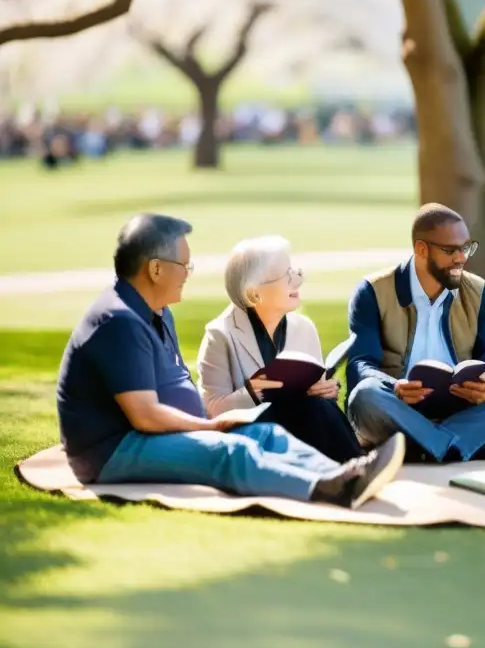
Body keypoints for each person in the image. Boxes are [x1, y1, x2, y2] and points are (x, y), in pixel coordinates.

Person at [55, 214, 404, 510]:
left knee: (265, 434)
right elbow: (144, 416)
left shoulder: (156, 313)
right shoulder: (119, 321)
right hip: (114, 449)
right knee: (231, 452)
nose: (189, 273)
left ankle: (346, 474)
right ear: (156, 269)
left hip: (151, 435)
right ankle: (327, 489)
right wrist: (209, 426)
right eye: (184, 265)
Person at [345, 203, 485, 464]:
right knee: (365, 395)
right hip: (399, 406)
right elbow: (359, 364)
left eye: (466, 247)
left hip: (462, 407)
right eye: (450, 250)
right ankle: (474, 447)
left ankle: (424, 448)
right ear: (421, 249)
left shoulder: (479, 291)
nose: (461, 258)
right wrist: (395, 387)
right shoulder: (373, 291)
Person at [197, 235, 374, 466]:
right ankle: (357, 464)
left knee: (320, 405)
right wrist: (254, 390)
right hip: (252, 434)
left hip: (301, 424)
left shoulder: (304, 328)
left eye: (295, 271)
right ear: (254, 294)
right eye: (287, 276)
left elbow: (315, 392)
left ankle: (354, 464)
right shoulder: (219, 335)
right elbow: (212, 412)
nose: (299, 280)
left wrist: (326, 389)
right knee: (313, 410)